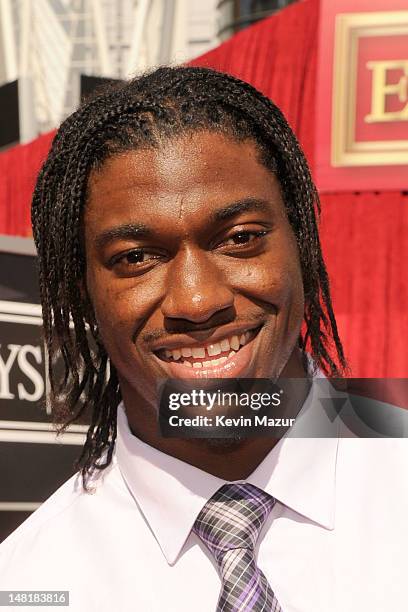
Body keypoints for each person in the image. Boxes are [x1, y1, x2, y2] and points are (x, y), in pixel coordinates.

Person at [0, 66, 407, 612]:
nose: (196, 301)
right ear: (81, 293)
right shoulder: (30, 586)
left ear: (303, 246)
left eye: (239, 239)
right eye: (136, 258)